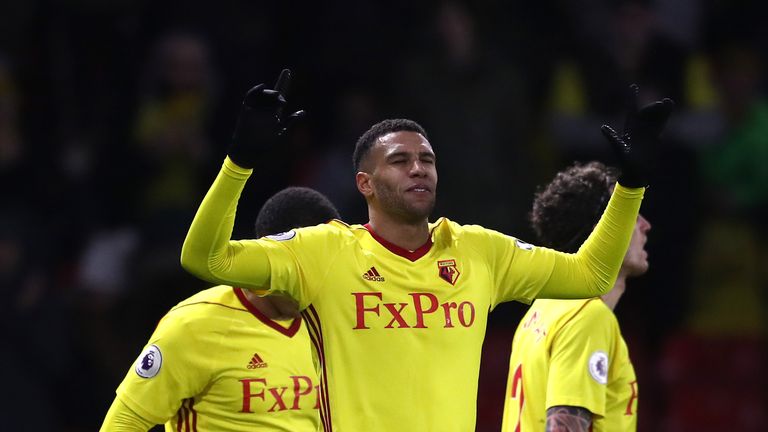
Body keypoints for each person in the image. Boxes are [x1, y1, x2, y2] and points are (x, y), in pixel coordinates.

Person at [180, 70, 673, 431]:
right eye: (400, 160)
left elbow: (589, 276)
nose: (419, 168)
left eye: (427, 160)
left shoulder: (478, 250)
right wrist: (238, 162)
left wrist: (630, 186)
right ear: (365, 184)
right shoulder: (323, 251)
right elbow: (206, 259)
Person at [100, 186, 340, 431]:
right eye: (303, 269)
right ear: (271, 258)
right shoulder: (195, 325)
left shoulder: (333, 324)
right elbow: (124, 422)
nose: (315, 282)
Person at [501, 161, 650, 431]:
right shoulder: (588, 316)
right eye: (632, 215)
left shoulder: (542, 309)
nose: (645, 226)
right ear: (605, 230)